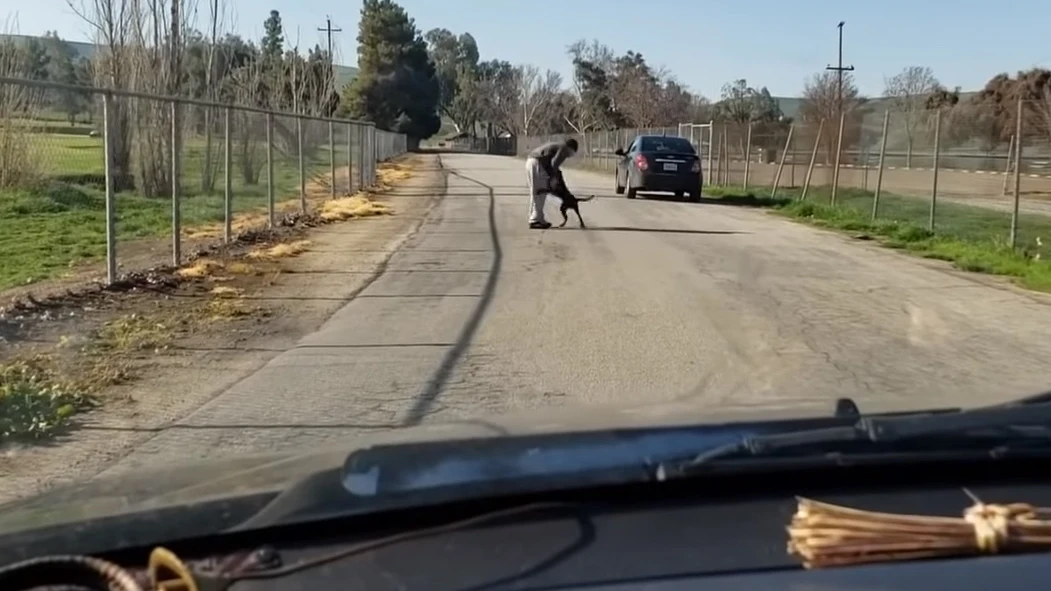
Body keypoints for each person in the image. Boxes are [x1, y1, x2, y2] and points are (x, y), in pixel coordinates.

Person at [525, 138, 578, 229]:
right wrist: (553, 179)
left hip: (531, 161)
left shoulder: (559, 146)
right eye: (573, 153)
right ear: (571, 149)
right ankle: (535, 220)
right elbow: (554, 164)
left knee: (537, 192)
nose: (571, 155)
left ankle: (538, 218)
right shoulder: (564, 149)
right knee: (540, 192)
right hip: (537, 163)